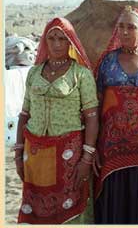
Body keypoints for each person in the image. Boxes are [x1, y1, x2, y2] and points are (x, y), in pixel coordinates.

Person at [14, 17, 99, 224]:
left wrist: (86, 158)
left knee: (69, 208)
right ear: (45, 41)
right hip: (34, 153)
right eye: (52, 38)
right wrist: (18, 153)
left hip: (68, 155)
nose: (57, 43)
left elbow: (92, 118)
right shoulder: (34, 73)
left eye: (62, 38)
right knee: (36, 207)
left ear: (70, 42)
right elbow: (24, 114)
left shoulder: (81, 75)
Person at [94, 6, 138, 224]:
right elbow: (95, 106)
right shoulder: (106, 63)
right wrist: (93, 147)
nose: (124, 31)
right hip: (110, 151)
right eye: (121, 26)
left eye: (131, 27)